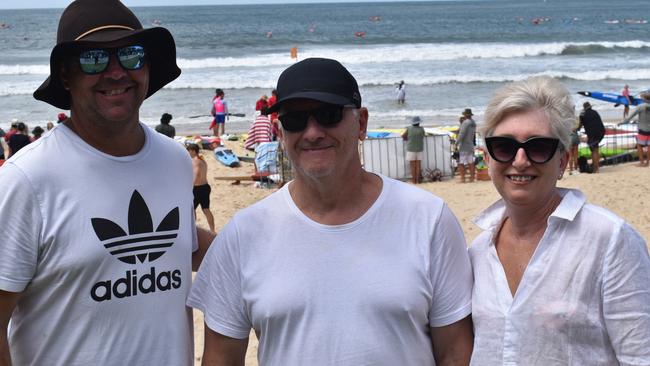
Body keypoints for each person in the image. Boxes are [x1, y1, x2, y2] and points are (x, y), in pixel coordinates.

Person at [187, 57, 473, 365]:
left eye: (328, 115)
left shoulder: (429, 219)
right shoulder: (244, 233)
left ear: (361, 123)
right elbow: (220, 357)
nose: (312, 132)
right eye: (295, 119)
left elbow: (456, 351)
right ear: (281, 133)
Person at [0, 1, 214, 364]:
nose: (116, 72)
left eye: (131, 55)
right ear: (66, 75)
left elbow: (183, 244)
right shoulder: (27, 179)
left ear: (147, 67)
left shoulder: (175, 160)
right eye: (94, 59)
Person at [470, 76, 650, 365]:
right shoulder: (477, 251)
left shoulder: (610, 239)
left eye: (538, 147)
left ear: (563, 161)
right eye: (503, 146)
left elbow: (640, 355)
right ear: (488, 157)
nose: (519, 160)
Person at [187, 143, 216, 232]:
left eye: (188, 151)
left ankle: (193, 230)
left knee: (192, 210)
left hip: (197, 189)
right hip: (205, 187)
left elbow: (196, 175)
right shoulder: (202, 160)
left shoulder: (195, 161)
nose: (188, 153)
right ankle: (212, 230)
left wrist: (189, 187)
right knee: (206, 209)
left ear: (192, 151)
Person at [620, 90, 650, 167]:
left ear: (644, 99)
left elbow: (629, 117)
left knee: (639, 145)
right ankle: (647, 162)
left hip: (642, 129)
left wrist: (622, 122)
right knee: (649, 146)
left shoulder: (640, 106)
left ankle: (641, 162)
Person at [578, 101, 605, 173]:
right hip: (601, 132)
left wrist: (576, 129)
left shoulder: (583, 115)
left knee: (594, 150)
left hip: (592, 134)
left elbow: (579, 126)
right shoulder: (595, 112)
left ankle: (596, 169)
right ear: (590, 107)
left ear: (584, 108)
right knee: (596, 149)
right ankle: (596, 166)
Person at [401, 116, 425, 184]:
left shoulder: (409, 129)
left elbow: (403, 136)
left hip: (411, 149)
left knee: (412, 166)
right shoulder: (421, 129)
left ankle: (414, 181)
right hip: (420, 148)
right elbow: (423, 136)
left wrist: (407, 139)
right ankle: (418, 181)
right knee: (418, 166)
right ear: (419, 123)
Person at [456, 108, 477, 183]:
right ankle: (472, 178)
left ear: (465, 115)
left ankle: (463, 178)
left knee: (461, 162)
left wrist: (456, 143)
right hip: (470, 144)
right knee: (470, 162)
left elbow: (462, 134)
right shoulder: (473, 123)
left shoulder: (465, 123)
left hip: (464, 145)